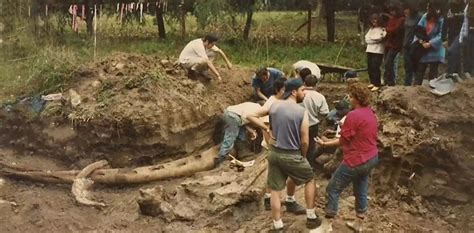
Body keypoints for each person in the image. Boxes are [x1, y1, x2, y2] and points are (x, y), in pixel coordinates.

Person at [247, 79, 322, 231]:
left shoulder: (274, 106)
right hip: (292, 154)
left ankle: (277, 225)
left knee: (275, 189)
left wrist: (266, 128)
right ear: (294, 92)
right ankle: (311, 217)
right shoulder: (301, 112)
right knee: (309, 179)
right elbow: (305, 140)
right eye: (302, 90)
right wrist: (303, 155)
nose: (304, 93)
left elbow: (250, 115)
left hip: (274, 153)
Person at [314, 82, 379, 232]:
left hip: (356, 160)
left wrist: (324, 144)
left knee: (332, 189)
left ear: (357, 98)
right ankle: (359, 222)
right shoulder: (370, 113)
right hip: (371, 157)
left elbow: (343, 141)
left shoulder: (353, 115)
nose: (349, 99)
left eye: (350, 96)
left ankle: (326, 225)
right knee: (361, 187)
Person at [260, 77, 307, 216]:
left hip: (282, 145)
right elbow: (265, 125)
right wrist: (270, 143)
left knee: (276, 176)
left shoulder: (280, 103)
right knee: (277, 178)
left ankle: (279, 204)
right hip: (279, 147)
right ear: (281, 90)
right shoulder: (273, 103)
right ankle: (276, 200)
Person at [214, 102, 263, 166]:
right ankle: (220, 159)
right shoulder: (259, 112)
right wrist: (252, 130)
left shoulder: (257, 107)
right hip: (232, 116)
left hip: (236, 116)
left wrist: (251, 130)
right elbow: (249, 119)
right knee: (230, 138)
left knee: (241, 136)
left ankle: (243, 154)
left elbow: (244, 118)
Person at [413, 1, 446, 86]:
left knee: (433, 72)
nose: (427, 9)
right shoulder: (424, 16)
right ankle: (416, 88)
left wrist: (430, 43)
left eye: (428, 7)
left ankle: (433, 90)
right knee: (420, 69)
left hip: (436, 48)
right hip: (424, 46)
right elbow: (418, 30)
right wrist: (421, 41)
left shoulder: (442, 19)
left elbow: (441, 35)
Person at [301, 74, 329, 169]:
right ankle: (309, 166)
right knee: (311, 146)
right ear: (316, 84)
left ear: (304, 83)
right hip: (312, 124)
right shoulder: (319, 97)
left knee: (298, 144)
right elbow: (325, 112)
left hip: (298, 124)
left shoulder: (298, 94)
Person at [383, 4, 405, 86]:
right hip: (388, 43)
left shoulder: (401, 20)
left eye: (393, 11)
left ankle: (391, 81)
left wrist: (388, 30)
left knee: (389, 62)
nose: (392, 12)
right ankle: (386, 80)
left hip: (395, 44)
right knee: (386, 63)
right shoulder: (391, 19)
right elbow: (387, 28)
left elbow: (396, 30)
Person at [444, 0, 466, 81]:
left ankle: (451, 73)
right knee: (454, 54)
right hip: (451, 34)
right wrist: (444, 38)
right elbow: (445, 23)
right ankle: (455, 75)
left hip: (463, 34)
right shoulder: (448, 6)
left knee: (453, 52)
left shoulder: (465, 6)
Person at [365, 13, 387, 91]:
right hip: (369, 50)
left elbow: (379, 38)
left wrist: (373, 40)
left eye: (375, 19)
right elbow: (367, 39)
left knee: (375, 66)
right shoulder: (371, 29)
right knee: (370, 66)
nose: (373, 21)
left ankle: (377, 84)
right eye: (372, 20)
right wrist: (373, 41)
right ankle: (373, 82)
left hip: (378, 51)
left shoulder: (382, 29)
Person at [403, 3, 422, 86]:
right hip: (406, 43)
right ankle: (407, 84)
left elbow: (421, 31)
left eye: (407, 9)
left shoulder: (420, 17)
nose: (405, 11)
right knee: (407, 65)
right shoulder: (407, 17)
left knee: (415, 66)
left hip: (415, 45)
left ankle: (416, 84)